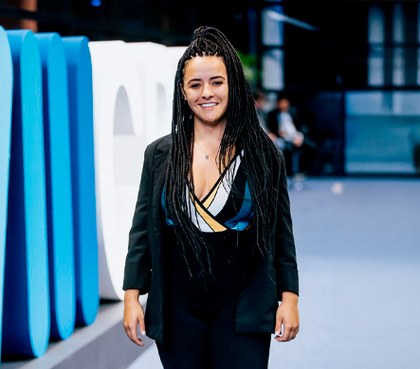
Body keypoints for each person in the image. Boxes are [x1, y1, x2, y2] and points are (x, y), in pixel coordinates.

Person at [122, 26, 300, 369]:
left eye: (217, 82)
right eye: (195, 84)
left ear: (232, 83)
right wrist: (132, 295)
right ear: (183, 91)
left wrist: (289, 298)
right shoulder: (159, 154)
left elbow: (282, 235)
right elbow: (143, 232)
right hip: (177, 311)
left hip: (243, 306)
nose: (207, 93)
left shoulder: (264, 155)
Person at [265, 92, 311, 181]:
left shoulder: (294, 111)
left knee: (310, 146)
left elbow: (302, 126)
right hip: (282, 138)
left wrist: (299, 137)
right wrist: (278, 134)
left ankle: (303, 170)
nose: (283, 105)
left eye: (285, 103)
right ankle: (290, 172)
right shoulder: (272, 114)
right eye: (281, 103)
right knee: (287, 148)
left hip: (296, 137)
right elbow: (271, 129)